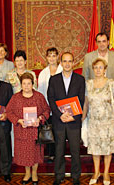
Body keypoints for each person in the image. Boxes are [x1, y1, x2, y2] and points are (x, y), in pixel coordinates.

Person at [83, 32, 114, 163]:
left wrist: (107, 88)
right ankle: (96, 152)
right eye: (99, 41)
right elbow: (85, 75)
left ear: (108, 42)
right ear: (96, 43)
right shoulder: (89, 57)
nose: (102, 44)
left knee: (112, 128)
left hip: (110, 95)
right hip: (93, 96)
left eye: (104, 41)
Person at [82, 58, 114, 185]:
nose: (98, 70)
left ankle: (106, 173)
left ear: (105, 69)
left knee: (107, 149)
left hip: (108, 122)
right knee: (95, 148)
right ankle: (96, 172)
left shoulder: (112, 83)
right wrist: (82, 119)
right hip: (93, 122)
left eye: (101, 67)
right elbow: (86, 104)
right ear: (93, 69)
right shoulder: (88, 83)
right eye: (96, 67)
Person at [47, 52, 85, 185]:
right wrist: (60, 115)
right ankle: (59, 175)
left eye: (70, 61)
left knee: (75, 150)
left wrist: (73, 116)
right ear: (61, 63)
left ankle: (76, 176)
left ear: (73, 62)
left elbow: (81, 100)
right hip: (59, 121)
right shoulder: (54, 79)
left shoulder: (80, 79)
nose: (67, 64)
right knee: (59, 150)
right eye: (65, 61)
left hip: (74, 122)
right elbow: (51, 99)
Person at [6, 72, 50, 185]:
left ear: (33, 84)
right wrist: (18, 120)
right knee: (25, 154)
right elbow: (8, 112)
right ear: (21, 84)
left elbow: (47, 110)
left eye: (28, 83)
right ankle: (27, 173)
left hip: (35, 131)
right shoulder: (15, 98)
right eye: (24, 83)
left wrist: (40, 119)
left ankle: (34, 173)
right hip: (22, 131)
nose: (26, 86)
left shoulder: (39, 96)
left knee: (35, 154)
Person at [5, 50, 37, 157]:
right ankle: (17, 155)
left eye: (21, 60)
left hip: (29, 108)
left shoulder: (31, 74)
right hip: (15, 107)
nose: (19, 63)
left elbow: (35, 90)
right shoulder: (9, 75)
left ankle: (30, 154)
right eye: (17, 60)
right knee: (16, 132)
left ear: (25, 61)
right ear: (14, 62)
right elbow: (6, 92)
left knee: (30, 133)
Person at [38, 47, 63, 163]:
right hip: (48, 107)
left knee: (61, 132)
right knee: (50, 131)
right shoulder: (43, 73)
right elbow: (41, 92)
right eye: (49, 56)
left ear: (57, 57)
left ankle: (60, 153)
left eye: (54, 55)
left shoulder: (63, 70)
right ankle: (52, 154)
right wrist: (44, 108)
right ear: (46, 58)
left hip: (62, 107)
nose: (52, 58)